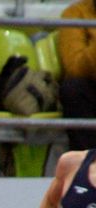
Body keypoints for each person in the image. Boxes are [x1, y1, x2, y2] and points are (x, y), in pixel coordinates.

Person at [58, 0, 96, 149]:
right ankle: (88, 164)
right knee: (73, 89)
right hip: (91, 88)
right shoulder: (75, 14)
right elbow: (74, 67)